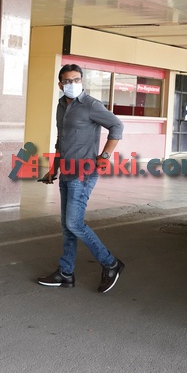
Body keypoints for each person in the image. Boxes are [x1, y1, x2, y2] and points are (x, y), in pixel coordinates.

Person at [37, 63, 125, 293]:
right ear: (60, 84)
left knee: (74, 223)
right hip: (67, 171)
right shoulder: (61, 106)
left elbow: (117, 125)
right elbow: (61, 140)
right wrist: (54, 169)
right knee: (68, 227)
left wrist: (105, 155)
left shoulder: (91, 105)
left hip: (83, 173)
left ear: (82, 81)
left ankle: (111, 264)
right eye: (68, 81)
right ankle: (65, 273)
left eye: (76, 80)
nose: (72, 84)